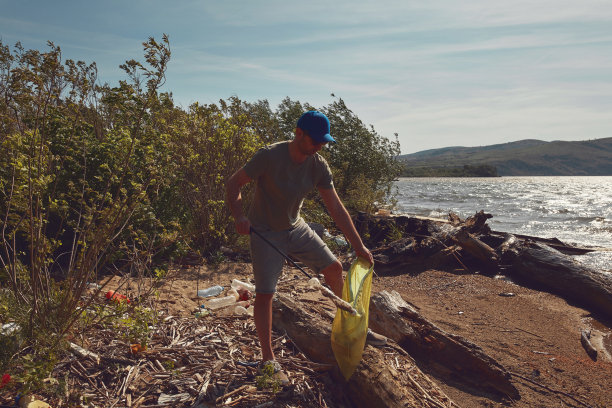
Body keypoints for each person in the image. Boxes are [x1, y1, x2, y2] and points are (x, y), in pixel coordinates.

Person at [225, 110, 386, 384]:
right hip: (265, 231)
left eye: (323, 143)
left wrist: (358, 245)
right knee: (265, 294)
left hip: (296, 227)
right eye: (315, 141)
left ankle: (351, 328)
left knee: (334, 268)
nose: (319, 147)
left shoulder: (318, 165)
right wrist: (240, 215)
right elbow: (233, 183)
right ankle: (269, 361)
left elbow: (335, 207)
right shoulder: (269, 155)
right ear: (299, 133)